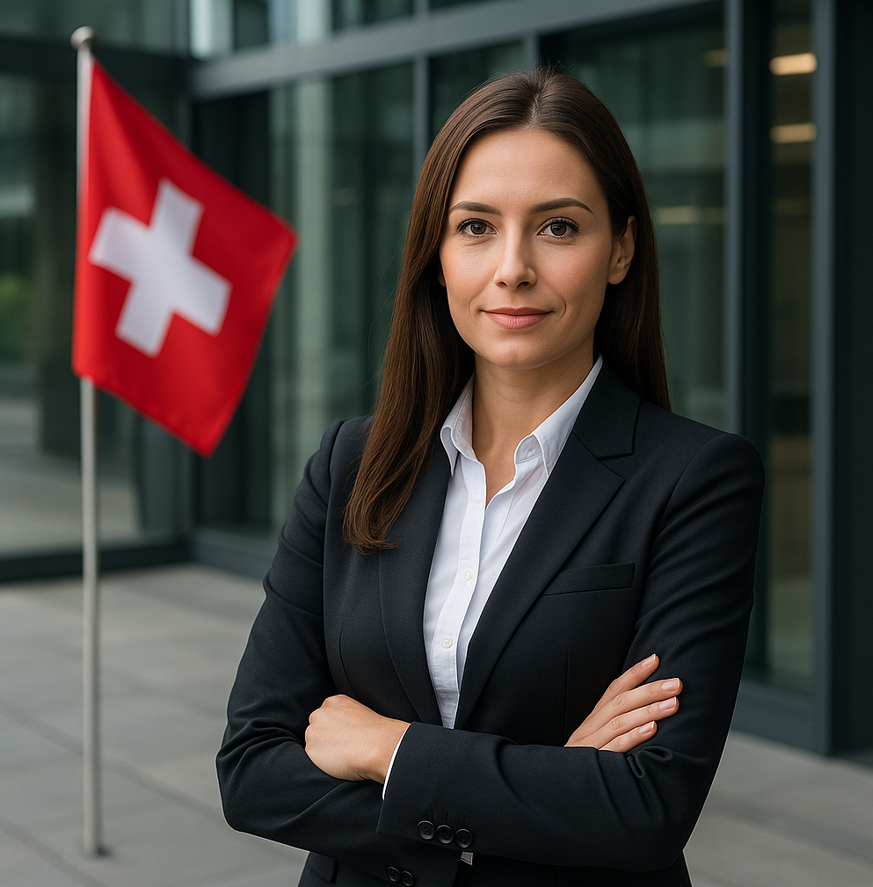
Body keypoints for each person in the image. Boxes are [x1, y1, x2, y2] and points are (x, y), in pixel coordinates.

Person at [217, 69, 765, 887]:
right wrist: (544, 786)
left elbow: (645, 805)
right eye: (475, 226)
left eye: (557, 227)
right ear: (436, 257)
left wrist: (385, 748)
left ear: (619, 248)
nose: (511, 268)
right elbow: (254, 770)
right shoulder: (349, 464)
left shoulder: (694, 481)